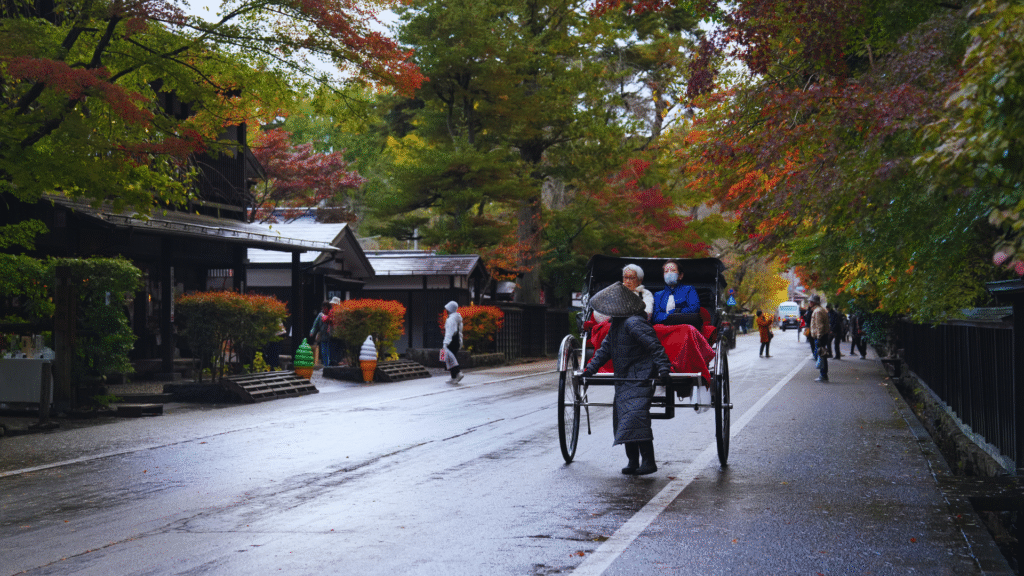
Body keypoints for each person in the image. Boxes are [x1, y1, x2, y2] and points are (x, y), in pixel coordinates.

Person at [581, 282, 672, 476]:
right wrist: (589, 370)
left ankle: (649, 461)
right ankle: (632, 460)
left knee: (635, 414)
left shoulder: (634, 323)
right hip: (624, 376)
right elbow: (604, 351)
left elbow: (654, 347)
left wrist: (664, 368)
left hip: (641, 374)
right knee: (622, 416)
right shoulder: (617, 325)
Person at [652, 259, 700, 324]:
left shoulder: (689, 289)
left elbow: (694, 309)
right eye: (666, 271)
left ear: (680, 275)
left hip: (684, 324)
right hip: (664, 326)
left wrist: (675, 312)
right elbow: (656, 316)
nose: (669, 273)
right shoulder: (658, 295)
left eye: (673, 271)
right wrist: (670, 316)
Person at [441, 301, 464, 384]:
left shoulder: (451, 319)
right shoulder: (457, 318)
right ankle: (453, 376)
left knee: (450, 359)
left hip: (451, 341)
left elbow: (449, 332)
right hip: (456, 340)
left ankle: (458, 373)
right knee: (451, 358)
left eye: (447, 309)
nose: (446, 310)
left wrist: (445, 343)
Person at [809, 295, 830, 381]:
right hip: (823, 336)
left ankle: (823, 375)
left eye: (810, 301)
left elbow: (819, 326)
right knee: (822, 355)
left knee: (821, 356)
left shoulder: (817, 311)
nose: (809, 303)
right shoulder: (821, 310)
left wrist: (819, 338)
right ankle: (823, 374)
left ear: (814, 302)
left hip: (820, 337)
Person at [309, 301, 333, 368]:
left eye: (326, 307)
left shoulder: (331, 314)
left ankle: (328, 366)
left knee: (329, 352)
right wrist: (312, 332)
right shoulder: (320, 315)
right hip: (323, 336)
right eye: (323, 307)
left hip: (331, 336)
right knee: (324, 352)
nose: (324, 308)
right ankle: (326, 366)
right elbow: (315, 325)